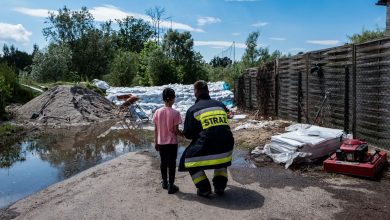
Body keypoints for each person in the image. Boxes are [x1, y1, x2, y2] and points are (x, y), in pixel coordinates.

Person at [179, 80, 234, 197]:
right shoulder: (220, 105)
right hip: (227, 148)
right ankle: (220, 187)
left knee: (188, 160)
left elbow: (189, 134)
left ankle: (204, 189)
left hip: (210, 145)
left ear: (196, 92)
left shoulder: (193, 110)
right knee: (220, 161)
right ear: (207, 91)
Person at [152, 88, 182, 194]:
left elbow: (156, 129)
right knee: (172, 163)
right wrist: (183, 134)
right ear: (173, 98)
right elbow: (175, 130)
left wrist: (156, 142)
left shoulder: (157, 112)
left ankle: (164, 182)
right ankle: (171, 185)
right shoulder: (176, 113)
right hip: (172, 143)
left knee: (163, 162)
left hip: (161, 142)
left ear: (163, 99)